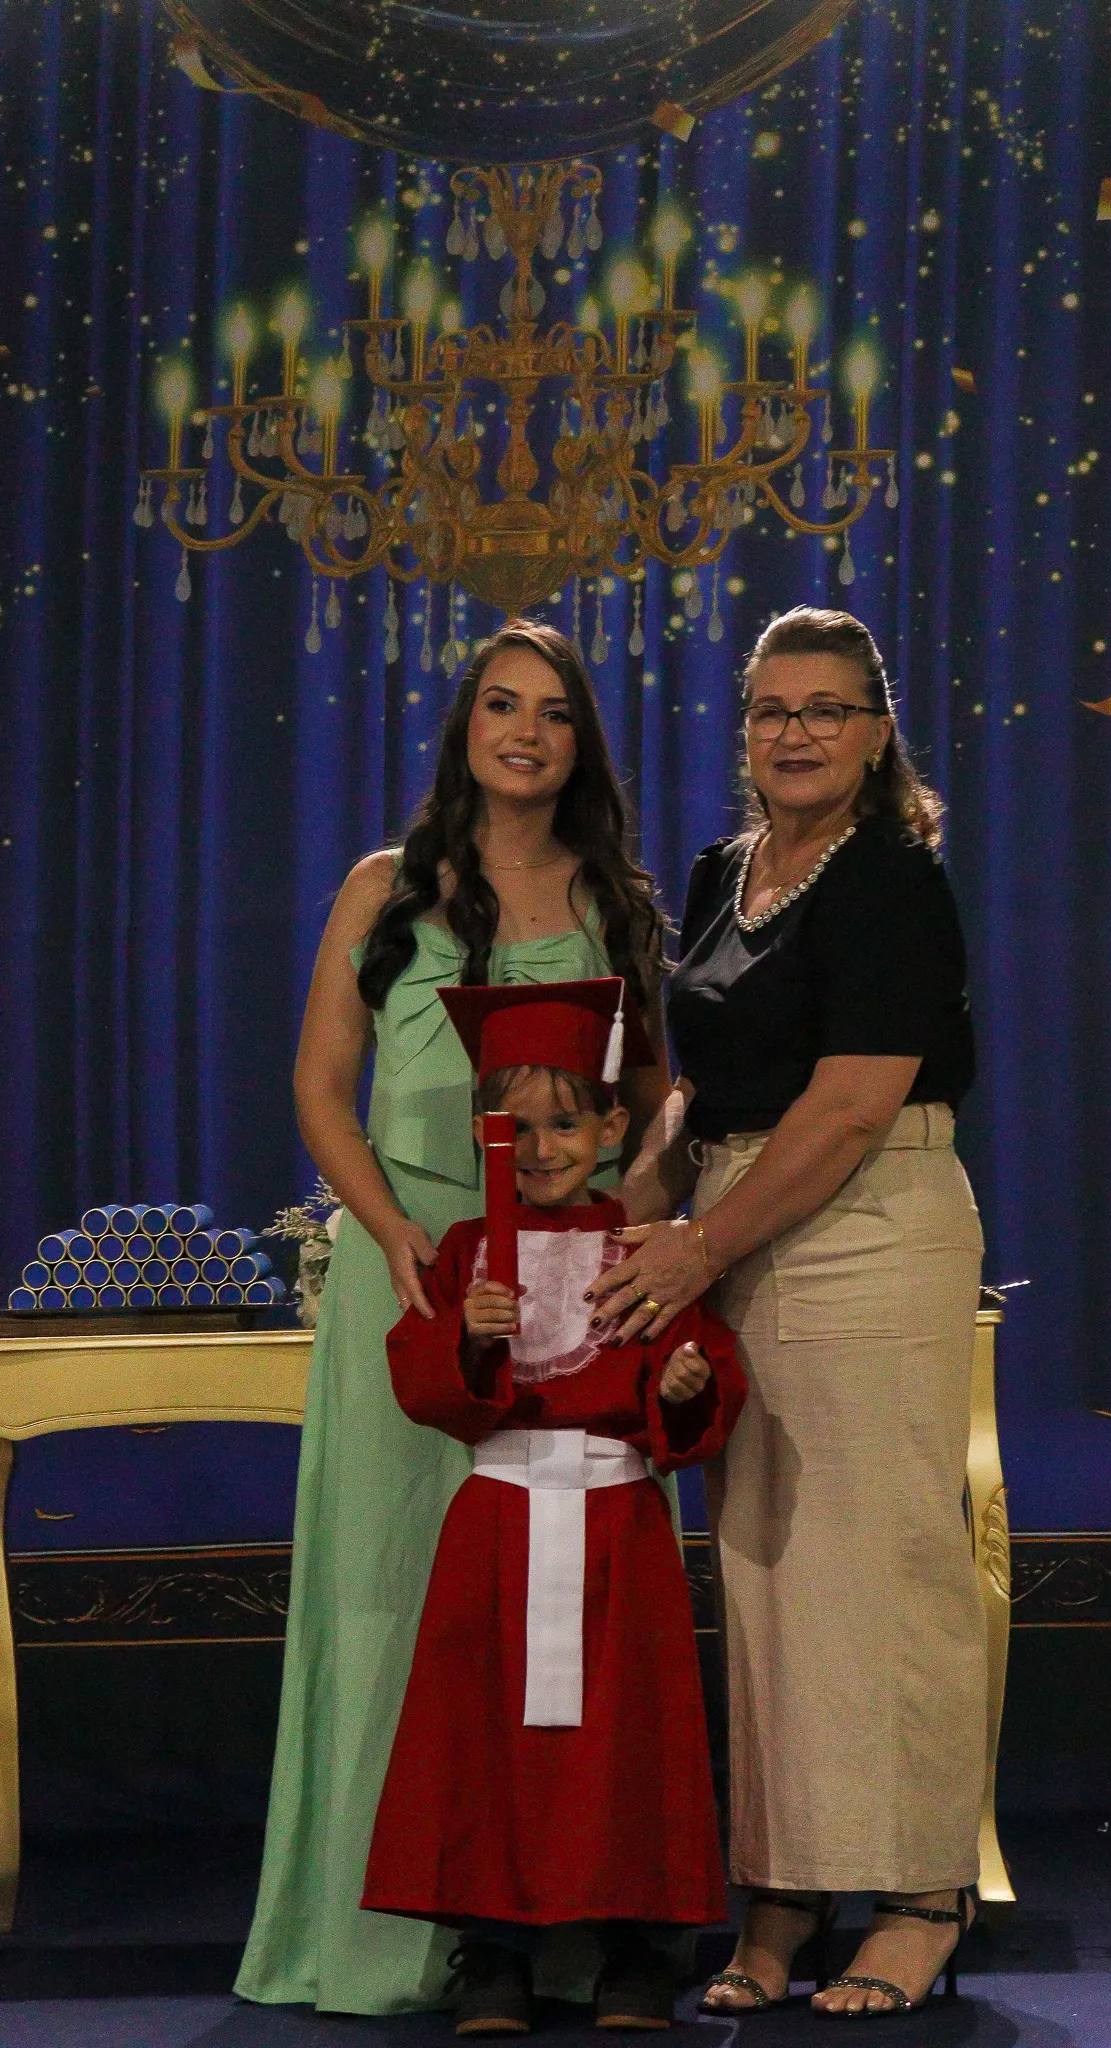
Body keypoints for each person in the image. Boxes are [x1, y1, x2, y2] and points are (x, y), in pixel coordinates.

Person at [237, 621, 671, 2016]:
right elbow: (319, 1088)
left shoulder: (614, 900)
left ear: (579, 743)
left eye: (552, 712)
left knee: (554, 1620)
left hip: (563, 1301)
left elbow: (654, 1101)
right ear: (464, 726)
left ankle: (559, 1927)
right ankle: (379, 1937)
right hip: (417, 1276)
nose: (524, 732)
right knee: (393, 1592)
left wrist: (620, 1231)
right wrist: (392, 1234)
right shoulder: (384, 887)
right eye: (501, 705)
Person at [593, 605, 988, 2019]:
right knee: (765, 1577)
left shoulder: (891, 878)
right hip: (737, 1228)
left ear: (876, 735)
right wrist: (631, 1209)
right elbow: (699, 1081)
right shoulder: (724, 869)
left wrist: (700, 1243)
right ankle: (784, 1885)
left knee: (877, 1574)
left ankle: (920, 1893)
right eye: (771, 709)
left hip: (865, 1223)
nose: (795, 733)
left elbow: (851, 1103)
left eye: (825, 710)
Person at [363, 978, 745, 2036]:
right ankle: (493, 1953)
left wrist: (685, 1385)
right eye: (515, 1129)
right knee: (485, 1740)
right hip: (498, 1525)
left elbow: (697, 1369)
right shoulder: (465, 1255)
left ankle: (634, 1952)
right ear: (481, 1134)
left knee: (627, 1740)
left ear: (612, 1129)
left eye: (566, 1123)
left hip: (620, 1530)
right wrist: (467, 1337)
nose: (540, 1149)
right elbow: (422, 1379)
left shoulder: (647, 1249)